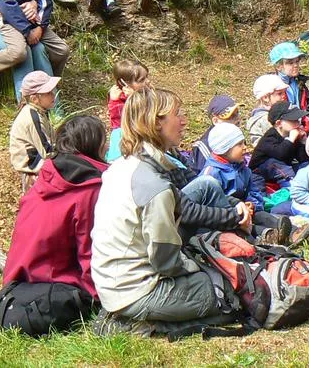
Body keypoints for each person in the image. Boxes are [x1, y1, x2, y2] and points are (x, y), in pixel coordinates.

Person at [90, 88, 239, 331]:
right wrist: (197, 265)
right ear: (156, 123)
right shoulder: (153, 185)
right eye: (177, 114)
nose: (183, 121)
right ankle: (135, 325)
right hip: (136, 291)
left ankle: (132, 316)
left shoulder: (123, 166)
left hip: (111, 283)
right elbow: (164, 260)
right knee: (228, 291)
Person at [0, 114, 108, 303]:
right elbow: (89, 249)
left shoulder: (48, 174)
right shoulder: (87, 187)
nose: (107, 147)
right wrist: (99, 298)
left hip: (17, 279)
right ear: (93, 145)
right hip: (51, 284)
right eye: (103, 141)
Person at [199, 123, 290, 245]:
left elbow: (253, 191)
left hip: (247, 211)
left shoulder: (243, 169)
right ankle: (269, 236)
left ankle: (293, 232)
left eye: (244, 143)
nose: (245, 148)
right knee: (242, 226)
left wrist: (253, 204)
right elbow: (211, 204)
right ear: (225, 148)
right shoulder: (211, 174)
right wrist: (236, 211)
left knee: (262, 216)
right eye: (239, 144)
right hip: (228, 218)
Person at [9, 70, 60, 191]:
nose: (53, 95)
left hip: (40, 159)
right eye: (48, 93)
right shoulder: (33, 117)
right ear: (34, 98)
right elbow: (47, 151)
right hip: (33, 165)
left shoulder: (40, 111)